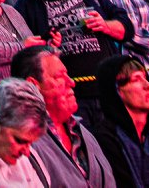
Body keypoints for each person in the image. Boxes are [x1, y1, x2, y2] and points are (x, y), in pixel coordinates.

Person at [14, 0, 134, 110]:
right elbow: (23, 57)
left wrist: (105, 25)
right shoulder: (26, 5)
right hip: (67, 98)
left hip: (108, 88)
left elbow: (127, 28)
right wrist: (46, 48)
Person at [10, 46, 118, 188]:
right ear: (33, 86)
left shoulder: (84, 133)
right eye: (59, 77)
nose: (72, 82)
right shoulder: (22, 144)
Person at [91, 57, 149, 188]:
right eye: (136, 79)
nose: (148, 85)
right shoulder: (104, 140)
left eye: (145, 78)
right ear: (117, 90)